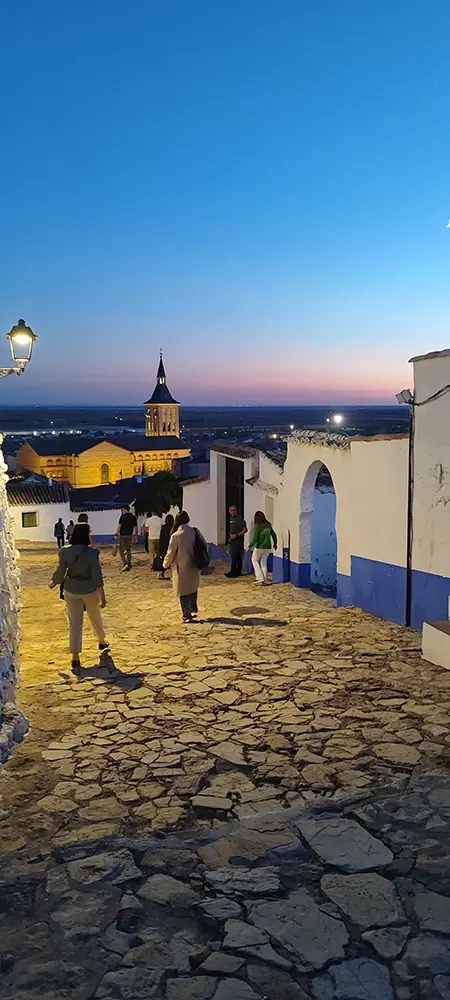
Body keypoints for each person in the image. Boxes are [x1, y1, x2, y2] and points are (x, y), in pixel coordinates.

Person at [49, 522, 109, 674]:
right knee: (95, 617)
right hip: (89, 590)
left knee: (75, 623)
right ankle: (101, 641)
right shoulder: (92, 553)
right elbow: (97, 576)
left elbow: (61, 570)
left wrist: (54, 582)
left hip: (71, 589)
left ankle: (75, 656)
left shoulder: (64, 551)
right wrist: (103, 596)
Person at [163, 510, 206, 622]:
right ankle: (192, 608)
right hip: (194, 565)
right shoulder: (195, 532)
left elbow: (171, 552)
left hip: (181, 567)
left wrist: (165, 564)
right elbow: (204, 544)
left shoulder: (176, 536)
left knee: (182, 590)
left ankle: (186, 613)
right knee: (192, 587)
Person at [248, 510, 278, 585]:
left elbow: (255, 538)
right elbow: (274, 535)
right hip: (268, 546)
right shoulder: (268, 525)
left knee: (254, 560)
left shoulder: (257, 526)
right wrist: (275, 543)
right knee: (263, 562)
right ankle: (265, 579)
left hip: (260, 546)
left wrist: (249, 546)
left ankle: (259, 578)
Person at [225, 505, 247, 578]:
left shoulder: (239, 519)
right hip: (233, 540)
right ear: (229, 511)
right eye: (231, 510)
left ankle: (233, 572)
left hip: (238, 540)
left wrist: (236, 535)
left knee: (235, 556)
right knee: (236, 556)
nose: (233, 512)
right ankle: (238, 571)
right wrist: (230, 537)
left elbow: (244, 529)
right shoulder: (231, 518)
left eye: (234, 510)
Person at [115, 504, 138, 571]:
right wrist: (136, 537)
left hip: (123, 536)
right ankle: (129, 564)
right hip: (130, 535)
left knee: (121, 551)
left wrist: (116, 535)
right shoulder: (133, 517)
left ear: (125, 509)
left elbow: (119, 526)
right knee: (128, 550)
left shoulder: (122, 517)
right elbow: (136, 528)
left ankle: (125, 563)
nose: (122, 511)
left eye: (122, 510)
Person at [157, 513, 174, 579]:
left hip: (164, 547)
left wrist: (159, 548)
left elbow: (161, 538)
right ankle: (172, 575)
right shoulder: (174, 528)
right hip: (171, 546)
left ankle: (162, 573)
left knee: (164, 560)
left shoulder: (164, 527)